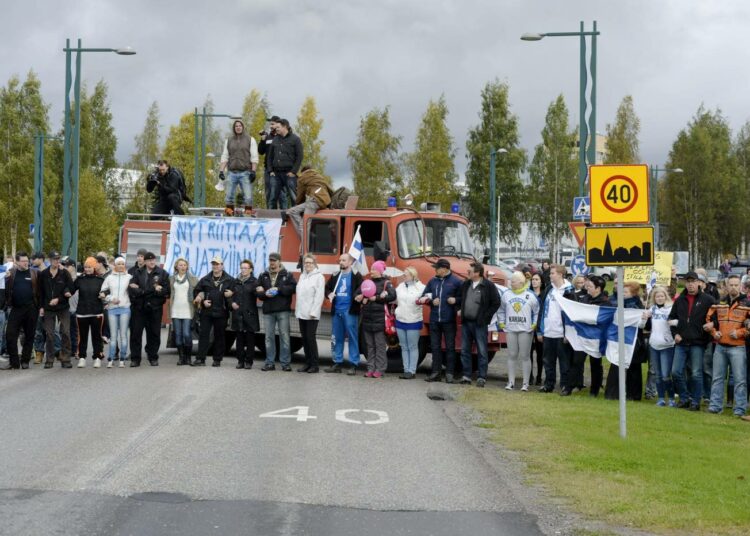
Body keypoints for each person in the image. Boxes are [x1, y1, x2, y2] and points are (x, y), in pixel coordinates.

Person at [668, 271, 715, 410]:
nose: (690, 284)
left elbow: (717, 317)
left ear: (699, 283)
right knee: (676, 372)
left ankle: (695, 402)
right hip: (681, 342)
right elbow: (671, 318)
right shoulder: (679, 300)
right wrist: (675, 334)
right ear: (685, 283)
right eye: (688, 282)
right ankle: (684, 398)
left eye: (693, 281)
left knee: (696, 373)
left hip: (698, 343)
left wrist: (713, 324)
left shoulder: (708, 300)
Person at [706, 274, 748, 417]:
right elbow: (710, 319)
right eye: (731, 285)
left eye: (736, 285)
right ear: (726, 286)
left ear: (741, 286)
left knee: (739, 379)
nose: (733, 287)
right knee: (717, 378)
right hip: (720, 346)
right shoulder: (720, 303)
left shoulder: (747, 303)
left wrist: (740, 332)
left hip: (738, 347)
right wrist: (714, 332)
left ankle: (740, 409)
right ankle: (715, 406)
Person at [458, 262, 501, 387]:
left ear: (477, 273)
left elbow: (496, 302)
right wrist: (460, 309)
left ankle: (482, 377)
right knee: (465, 350)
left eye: (470, 271)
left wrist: (486, 317)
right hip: (466, 323)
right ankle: (466, 376)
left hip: (480, 324)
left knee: (482, 351)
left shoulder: (488, 286)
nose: (468, 273)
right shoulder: (466, 284)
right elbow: (460, 298)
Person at [495, 271, 539, 391]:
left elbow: (536, 311)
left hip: (525, 330)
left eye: (513, 281)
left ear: (521, 282)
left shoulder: (530, 295)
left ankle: (525, 383)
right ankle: (511, 382)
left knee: (525, 356)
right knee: (512, 355)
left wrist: (534, 324)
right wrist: (502, 323)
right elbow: (501, 310)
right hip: (511, 329)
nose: (511, 283)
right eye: (511, 280)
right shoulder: (506, 294)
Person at [421, 259, 462, 383]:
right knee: (435, 347)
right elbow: (424, 295)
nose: (435, 270)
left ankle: (449, 374)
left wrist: (455, 300)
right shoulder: (432, 281)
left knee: (450, 347)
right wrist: (430, 301)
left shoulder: (457, 282)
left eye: (437, 268)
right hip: (434, 320)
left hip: (449, 320)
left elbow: (463, 298)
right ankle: (435, 373)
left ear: (444, 268)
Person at [605, 281, 647, 400]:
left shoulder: (638, 305)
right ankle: (612, 394)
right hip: (618, 340)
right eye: (622, 291)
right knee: (616, 365)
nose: (622, 293)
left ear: (633, 293)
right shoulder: (615, 303)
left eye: (625, 291)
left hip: (633, 341)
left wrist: (644, 319)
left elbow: (642, 325)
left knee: (634, 368)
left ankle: (634, 395)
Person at [128, 251, 170, 366]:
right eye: (149, 260)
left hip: (155, 309)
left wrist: (142, 290)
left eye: (153, 260)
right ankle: (135, 359)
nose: (152, 262)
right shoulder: (137, 272)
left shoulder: (162, 273)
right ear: (145, 262)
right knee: (136, 334)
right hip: (139, 309)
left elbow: (166, 292)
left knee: (154, 334)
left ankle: (153, 357)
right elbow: (131, 288)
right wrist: (152, 290)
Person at [537, 263, 574, 394]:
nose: (550, 275)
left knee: (564, 362)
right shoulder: (548, 289)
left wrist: (568, 333)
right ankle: (549, 384)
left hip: (561, 333)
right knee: (548, 361)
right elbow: (542, 310)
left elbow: (572, 314)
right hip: (548, 331)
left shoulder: (569, 290)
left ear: (560, 274)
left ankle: (565, 386)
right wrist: (539, 330)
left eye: (552, 273)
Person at [256, 252, 296, 371]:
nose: (272, 263)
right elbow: (258, 291)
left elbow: (293, 288)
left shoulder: (287, 274)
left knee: (285, 337)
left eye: (274, 260)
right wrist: (264, 293)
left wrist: (278, 289)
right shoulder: (263, 275)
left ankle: (285, 363)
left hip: (283, 310)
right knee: (269, 337)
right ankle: (269, 362)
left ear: (279, 261)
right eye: (270, 260)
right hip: (268, 310)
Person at [193, 256, 234, 367]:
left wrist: (232, 294)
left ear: (222, 265)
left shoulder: (229, 280)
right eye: (213, 264)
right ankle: (200, 359)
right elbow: (197, 292)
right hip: (207, 312)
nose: (215, 266)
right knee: (203, 335)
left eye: (217, 264)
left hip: (221, 312)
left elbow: (235, 295)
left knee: (219, 336)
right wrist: (202, 302)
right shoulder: (205, 279)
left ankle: (217, 360)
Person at [357, 261, 396, 378]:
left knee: (379, 346)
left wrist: (377, 298)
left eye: (373, 269)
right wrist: (360, 296)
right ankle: (370, 368)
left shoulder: (386, 283)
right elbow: (359, 293)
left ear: (380, 271)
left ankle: (380, 369)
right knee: (370, 346)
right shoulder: (367, 282)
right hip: (367, 318)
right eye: (371, 269)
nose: (371, 271)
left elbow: (393, 296)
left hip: (379, 319)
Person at [325, 253, 362, 374]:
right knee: (337, 337)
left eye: (344, 260)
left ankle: (353, 364)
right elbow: (327, 288)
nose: (341, 262)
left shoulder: (356, 275)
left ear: (350, 262)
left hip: (350, 311)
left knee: (352, 337)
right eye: (340, 260)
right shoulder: (336, 275)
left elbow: (361, 289)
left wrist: (358, 296)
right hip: (337, 311)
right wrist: (329, 294)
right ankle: (337, 362)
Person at [284, 166, 333, 257]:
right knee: (291, 211)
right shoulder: (319, 176)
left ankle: (305, 251)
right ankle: (308, 235)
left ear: (303, 172)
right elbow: (330, 190)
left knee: (304, 224)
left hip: (313, 201)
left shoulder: (302, 177)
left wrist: (297, 202)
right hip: (323, 201)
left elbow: (300, 194)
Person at [38, 250, 74, 369]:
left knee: (65, 332)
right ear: (49, 260)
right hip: (48, 308)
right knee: (49, 334)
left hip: (63, 307)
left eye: (58, 259)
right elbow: (40, 292)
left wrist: (59, 298)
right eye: (54, 259)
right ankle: (49, 359)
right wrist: (41, 307)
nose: (56, 261)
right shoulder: (43, 274)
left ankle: (66, 358)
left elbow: (71, 289)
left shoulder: (64, 273)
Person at [5, 252, 40, 369]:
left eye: (27, 260)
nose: (26, 263)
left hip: (31, 308)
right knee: (10, 335)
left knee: (29, 336)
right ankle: (14, 362)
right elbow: (6, 289)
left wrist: (40, 307)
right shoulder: (12, 274)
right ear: (17, 262)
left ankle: (25, 361)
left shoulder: (34, 273)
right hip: (16, 309)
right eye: (23, 261)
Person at [219, 119, 259, 216]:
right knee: (229, 197)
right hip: (231, 172)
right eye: (236, 126)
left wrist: (253, 171)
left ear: (243, 127)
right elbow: (225, 156)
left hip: (245, 172)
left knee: (248, 197)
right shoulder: (228, 140)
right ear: (234, 128)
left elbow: (254, 156)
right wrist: (221, 171)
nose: (238, 127)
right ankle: (229, 215)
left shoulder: (250, 139)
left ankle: (248, 215)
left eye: (240, 125)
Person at [643, 286, 676, 406]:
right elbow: (645, 327)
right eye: (657, 296)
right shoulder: (652, 309)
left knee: (666, 375)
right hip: (654, 345)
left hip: (667, 345)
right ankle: (661, 398)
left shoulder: (671, 308)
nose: (660, 298)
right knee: (657, 375)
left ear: (665, 296)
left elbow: (678, 322)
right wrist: (644, 318)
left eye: (662, 296)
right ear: (654, 298)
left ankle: (671, 398)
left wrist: (674, 322)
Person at [579, 276, 610, 397]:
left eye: (590, 286)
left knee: (595, 363)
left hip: (596, 338)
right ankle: (572, 385)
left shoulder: (605, 303)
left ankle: (594, 389)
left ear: (598, 289)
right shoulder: (584, 299)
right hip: (583, 336)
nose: (587, 289)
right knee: (577, 361)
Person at [295, 254, 325, 373]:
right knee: (304, 339)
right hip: (302, 312)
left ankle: (314, 364)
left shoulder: (319, 277)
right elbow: (300, 296)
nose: (307, 264)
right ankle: (307, 363)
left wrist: (314, 311)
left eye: (310, 263)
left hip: (311, 314)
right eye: (306, 263)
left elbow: (319, 296)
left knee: (310, 338)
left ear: (314, 264)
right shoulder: (302, 276)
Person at [100, 257, 132, 368]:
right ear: (115, 265)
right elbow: (102, 292)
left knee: (123, 335)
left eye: (122, 264)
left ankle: (122, 358)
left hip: (125, 308)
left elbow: (132, 292)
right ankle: (111, 358)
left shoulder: (129, 277)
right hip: (112, 309)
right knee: (113, 336)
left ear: (125, 265)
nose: (120, 266)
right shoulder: (109, 278)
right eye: (118, 264)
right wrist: (111, 298)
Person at [74, 257, 105, 368]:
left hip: (97, 313)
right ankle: (82, 357)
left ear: (94, 267)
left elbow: (107, 291)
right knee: (82, 337)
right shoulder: (80, 280)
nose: (87, 269)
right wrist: (67, 292)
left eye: (90, 267)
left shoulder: (100, 280)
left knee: (96, 336)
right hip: (82, 313)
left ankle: (97, 357)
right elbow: (71, 289)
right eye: (86, 267)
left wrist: (105, 294)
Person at [395, 267, 425, 379]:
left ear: (413, 276)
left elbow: (429, 296)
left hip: (414, 320)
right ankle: (406, 369)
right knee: (403, 346)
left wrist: (425, 298)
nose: (404, 277)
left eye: (406, 275)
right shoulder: (400, 287)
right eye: (403, 275)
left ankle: (412, 371)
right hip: (400, 320)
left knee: (412, 346)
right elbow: (395, 298)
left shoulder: (421, 287)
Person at [169, 257, 198, 366]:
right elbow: (169, 292)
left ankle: (188, 357)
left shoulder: (193, 279)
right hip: (175, 310)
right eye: (180, 265)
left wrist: (199, 296)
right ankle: (181, 358)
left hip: (187, 310)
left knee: (186, 334)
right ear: (176, 266)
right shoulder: (171, 279)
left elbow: (200, 290)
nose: (182, 267)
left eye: (184, 265)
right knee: (178, 335)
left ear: (187, 267)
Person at [269, 118, 303, 209]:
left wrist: (293, 172)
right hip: (276, 174)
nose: (276, 129)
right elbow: (270, 156)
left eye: (278, 127)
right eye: (275, 128)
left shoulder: (295, 139)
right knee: (272, 197)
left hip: (289, 174)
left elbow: (299, 157)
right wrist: (270, 170)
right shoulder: (275, 139)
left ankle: (296, 218)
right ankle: (271, 218)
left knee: (294, 197)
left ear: (285, 127)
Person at [231, 259, 260, 369]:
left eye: (245, 268)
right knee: (239, 339)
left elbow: (259, 294)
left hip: (250, 314)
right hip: (238, 314)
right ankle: (240, 361)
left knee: (250, 339)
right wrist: (232, 303)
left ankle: (249, 361)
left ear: (251, 270)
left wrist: (261, 291)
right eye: (242, 268)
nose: (243, 270)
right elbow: (231, 295)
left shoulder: (255, 282)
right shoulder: (236, 281)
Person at [257, 115, 281, 208]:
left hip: (279, 169)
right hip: (267, 169)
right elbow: (261, 151)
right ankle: (270, 212)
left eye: (273, 124)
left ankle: (283, 215)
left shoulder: (281, 137)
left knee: (281, 194)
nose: (271, 126)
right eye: (270, 124)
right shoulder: (267, 136)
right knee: (268, 192)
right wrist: (262, 140)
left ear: (278, 125)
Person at [529, 272, 545, 385]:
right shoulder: (527, 294)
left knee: (541, 353)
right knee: (528, 353)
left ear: (541, 281)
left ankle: (539, 376)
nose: (534, 281)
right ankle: (529, 376)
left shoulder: (544, 294)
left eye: (537, 279)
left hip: (540, 327)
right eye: (533, 279)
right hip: (529, 326)